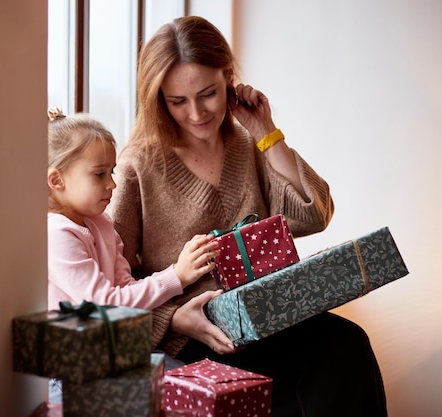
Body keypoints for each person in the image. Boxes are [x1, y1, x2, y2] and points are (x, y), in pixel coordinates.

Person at [108, 16, 387, 417]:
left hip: (268, 313)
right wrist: (172, 320)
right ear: (158, 101)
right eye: (177, 101)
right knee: (296, 384)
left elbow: (313, 214)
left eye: (208, 93)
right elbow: (113, 282)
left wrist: (265, 131)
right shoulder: (138, 165)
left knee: (347, 345)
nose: (197, 113)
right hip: (202, 329)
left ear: (229, 78)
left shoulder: (246, 142)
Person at [46, 107, 219, 311]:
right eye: (99, 174)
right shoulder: (57, 235)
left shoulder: (101, 223)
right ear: (57, 180)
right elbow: (103, 304)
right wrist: (177, 276)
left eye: (111, 172)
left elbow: (126, 288)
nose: (112, 184)